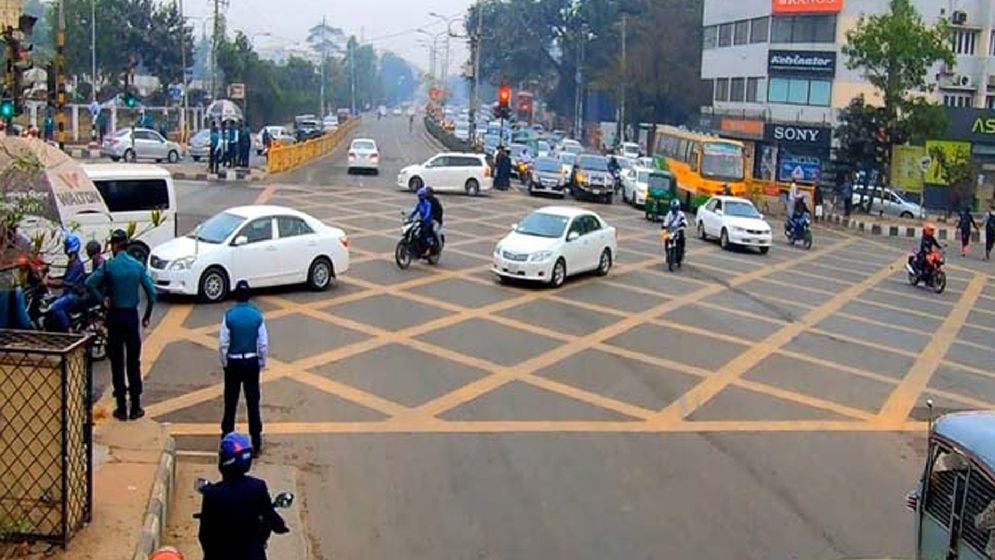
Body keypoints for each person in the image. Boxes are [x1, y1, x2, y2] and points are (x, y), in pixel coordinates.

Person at [86, 229, 156, 421]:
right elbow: (152, 294)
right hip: (131, 317)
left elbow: (89, 283)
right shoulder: (137, 266)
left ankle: (121, 408)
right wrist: (147, 316)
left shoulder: (109, 266)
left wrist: (103, 300)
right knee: (134, 362)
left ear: (115, 245)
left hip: (114, 316)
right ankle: (136, 407)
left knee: (117, 363)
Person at [198, 432, 289, 560]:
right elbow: (270, 517)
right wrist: (280, 526)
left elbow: (205, 536)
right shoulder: (257, 487)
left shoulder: (212, 494)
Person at [219, 281, 269, 455]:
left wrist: (225, 363)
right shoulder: (257, 316)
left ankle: (226, 439)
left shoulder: (229, 315)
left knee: (230, 403)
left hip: (234, 362)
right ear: (249, 296)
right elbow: (263, 344)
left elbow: (223, 344)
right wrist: (261, 362)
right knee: (253, 402)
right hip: (251, 362)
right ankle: (256, 442)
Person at [45, 234, 87, 332]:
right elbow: (64, 278)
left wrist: (50, 282)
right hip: (68, 293)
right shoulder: (72, 262)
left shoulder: (76, 264)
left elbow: (65, 282)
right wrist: (52, 278)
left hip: (74, 295)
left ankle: (68, 330)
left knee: (56, 307)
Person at [409, 187, 434, 251]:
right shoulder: (419, 204)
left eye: (420, 196)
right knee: (414, 231)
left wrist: (425, 218)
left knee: (424, 232)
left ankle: (428, 248)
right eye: (418, 196)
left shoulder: (428, 204)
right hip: (421, 221)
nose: (419, 197)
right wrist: (409, 217)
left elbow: (428, 213)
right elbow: (415, 211)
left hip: (427, 222)